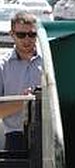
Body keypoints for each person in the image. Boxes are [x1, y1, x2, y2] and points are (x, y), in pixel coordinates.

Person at [1, 11, 44, 152]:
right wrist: (26, 101)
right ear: (12, 34)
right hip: (15, 137)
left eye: (31, 35)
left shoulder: (47, 63)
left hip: (46, 136)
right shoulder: (3, 66)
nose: (27, 39)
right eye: (21, 35)